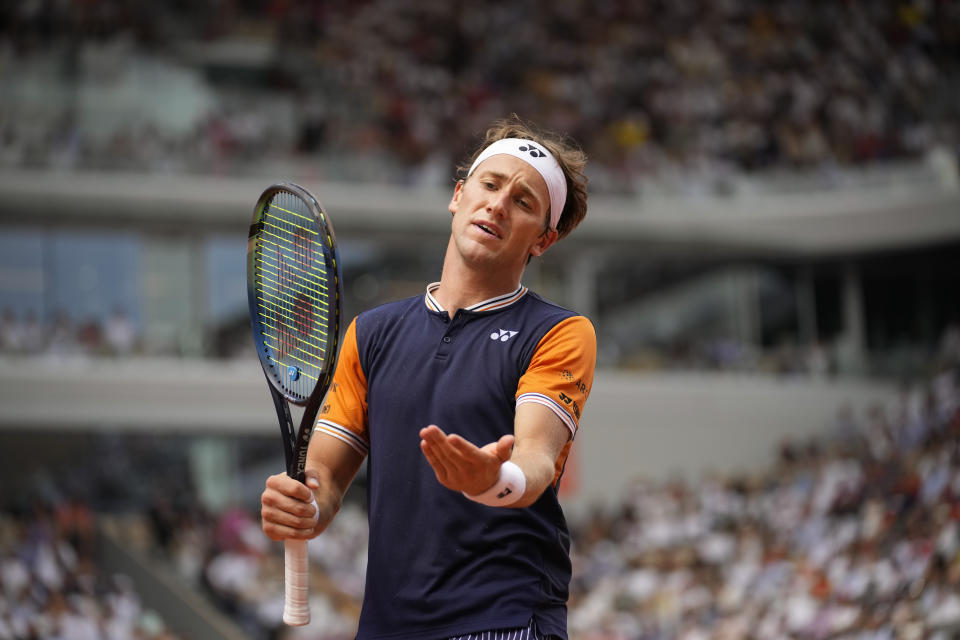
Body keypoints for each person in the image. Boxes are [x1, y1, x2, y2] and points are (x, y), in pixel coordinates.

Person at [260, 116, 597, 640]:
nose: (498, 205)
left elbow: (536, 457)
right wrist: (303, 505)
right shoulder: (371, 333)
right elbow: (324, 481)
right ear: (458, 195)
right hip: (388, 626)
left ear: (543, 241)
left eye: (524, 202)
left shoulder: (559, 332)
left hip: (503, 618)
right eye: (489, 185)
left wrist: (495, 480)